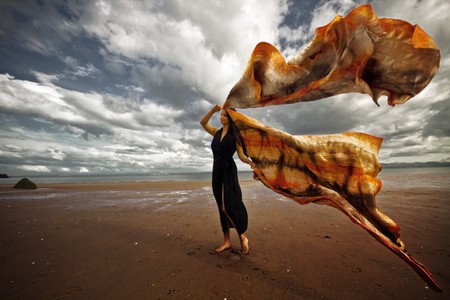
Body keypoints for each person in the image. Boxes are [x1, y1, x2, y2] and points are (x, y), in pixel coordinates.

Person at [200, 104, 255, 255]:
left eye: (224, 115)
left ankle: (243, 237)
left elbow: (242, 156)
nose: (221, 117)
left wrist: (250, 162)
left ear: (230, 118)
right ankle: (227, 241)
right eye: (221, 114)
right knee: (221, 208)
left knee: (228, 206)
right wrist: (212, 110)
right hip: (216, 172)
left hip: (228, 171)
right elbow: (202, 123)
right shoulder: (216, 133)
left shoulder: (235, 136)